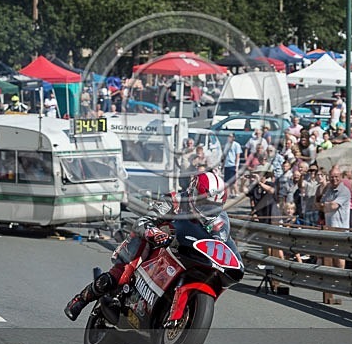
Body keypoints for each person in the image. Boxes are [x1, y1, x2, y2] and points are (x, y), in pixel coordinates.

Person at [64, 171, 230, 323]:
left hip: (186, 252)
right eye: (205, 204)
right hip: (156, 244)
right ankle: (80, 299)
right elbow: (142, 222)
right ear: (193, 194)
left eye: (213, 206)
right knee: (121, 274)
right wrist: (155, 233)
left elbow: (220, 242)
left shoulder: (219, 220)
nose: (209, 210)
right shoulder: (174, 202)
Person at [221, 133, 242, 197]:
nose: (229, 138)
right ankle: (230, 193)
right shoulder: (227, 145)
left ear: (233, 138)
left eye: (230, 136)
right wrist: (222, 165)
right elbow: (224, 156)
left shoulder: (236, 145)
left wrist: (236, 166)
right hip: (227, 165)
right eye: (228, 136)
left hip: (233, 165)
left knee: (234, 182)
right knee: (227, 181)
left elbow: (238, 156)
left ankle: (236, 193)